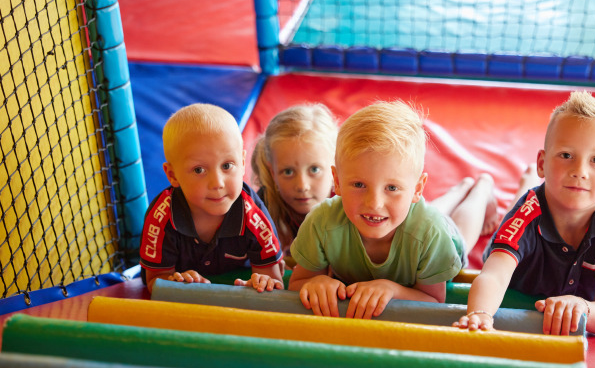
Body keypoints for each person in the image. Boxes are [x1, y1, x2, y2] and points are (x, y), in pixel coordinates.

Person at [454, 91, 595, 336]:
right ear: (543, 162)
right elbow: (494, 276)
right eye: (566, 155)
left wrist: (583, 306)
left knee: (528, 200)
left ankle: (529, 179)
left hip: (542, 199)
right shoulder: (527, 214)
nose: (580, 171)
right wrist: (480, 314)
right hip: (521, 240)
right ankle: (483, 187)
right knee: (463, 242)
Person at [287, 100, 467, 319]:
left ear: (417, 189)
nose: (374, 203)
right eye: (359, 185)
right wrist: (316, 282)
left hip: (440, 231)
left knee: (460, 229)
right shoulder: (321, 222)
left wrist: (392, 290)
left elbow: (435, 301)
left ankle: (476, 189)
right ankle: (457, 189)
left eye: (392, 187)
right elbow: (298, 281)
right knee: (423, 213)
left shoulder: (432, 233)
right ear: (337, 181)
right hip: (407, 217)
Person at [139, 103, 284, 293]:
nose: (217, 183)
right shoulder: (163, 217)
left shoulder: (252, 215)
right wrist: (175, 282)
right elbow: (155, 282)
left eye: (227, 166)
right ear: (172, 175)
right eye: (199, 170)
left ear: (241, 163)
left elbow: (273, 281)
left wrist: (263, 283)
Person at [251, 104, 338, 258]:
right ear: (273, 173)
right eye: (288, 172)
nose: (302, 186)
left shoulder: (347, 204)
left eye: (314, 170)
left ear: (334, 169)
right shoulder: (263, 206)